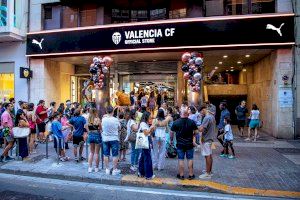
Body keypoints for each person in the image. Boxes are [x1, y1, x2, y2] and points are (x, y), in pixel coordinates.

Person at [170, 106, 198, 180]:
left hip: (180, 144)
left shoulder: (176, 122)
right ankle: (191, 175)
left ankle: (181, 175)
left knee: (181, 159)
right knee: (190, 159)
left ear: (180, 113)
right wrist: (193, 136)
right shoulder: (191, 122)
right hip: (189, 144)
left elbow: (171, 132)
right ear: (187, 114)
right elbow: (196, 132)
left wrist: (171, 140)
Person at [102, 106, 121, 175]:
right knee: (115, 155)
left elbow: (102, 127)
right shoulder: (115, 119)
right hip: (114, 138)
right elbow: (119, 128)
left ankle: (107, 169)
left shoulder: (103, 119)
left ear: (106, 112)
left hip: (105, 138)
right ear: (113, 111)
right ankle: (114, 170)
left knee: (106, 155)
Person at [199, 105, 216, 179]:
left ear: (204, 109)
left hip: (206, 139)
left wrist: (196, 127)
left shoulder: (207, 118)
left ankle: (207, 173)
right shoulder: (212, 117)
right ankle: (209, 171)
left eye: (201, 112)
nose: (201, 114)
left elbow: (201, 129)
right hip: (210, 138)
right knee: (209, 155)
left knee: (207, 156)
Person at [138, 112, 156, 180]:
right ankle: (148, 175)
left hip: (144, 140)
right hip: (145, 140)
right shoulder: (143, 123)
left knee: (143, 157)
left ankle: (141, 172)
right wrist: (151, 128)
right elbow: (146, 133)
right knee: (147, 158)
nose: (150, 118)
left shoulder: (144, 123)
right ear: (146, 117)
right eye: (149, 117)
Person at [87, 108, 101, 173]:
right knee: (96, 153)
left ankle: (90, 168)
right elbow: (100, 129)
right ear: (95, 112)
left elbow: (86, 127)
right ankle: (96, 168)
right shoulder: (97, 119)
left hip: (90, 136)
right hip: (97, 136)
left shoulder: (89, 119)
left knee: (91, 152)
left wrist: (89, 131)